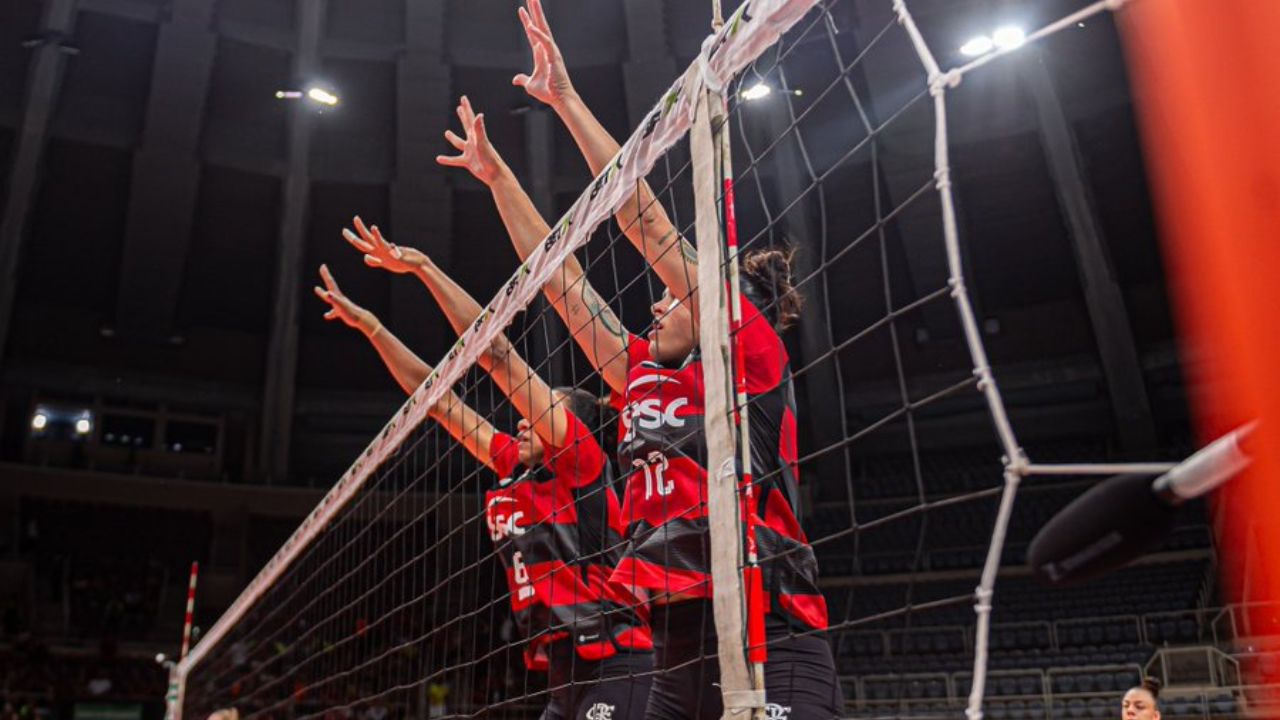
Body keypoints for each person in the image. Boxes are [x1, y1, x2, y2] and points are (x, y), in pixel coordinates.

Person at [434, 2, 840, 717]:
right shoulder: (640, 379)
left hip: (769, 625)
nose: (656, 304)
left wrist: (565, 98)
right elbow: (557, 278)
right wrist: (499, 178)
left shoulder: (751, 351)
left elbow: (643, 219)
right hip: (677, 642)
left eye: (672, 295)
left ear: (718, 304)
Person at [314, 222, 653, 720]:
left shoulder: (580, 461)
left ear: (569, 429)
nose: (520, 417)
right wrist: (372, 327)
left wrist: (425, 267)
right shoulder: (513, 463)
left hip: (618, 658)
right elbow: (434, 401)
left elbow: (495, 353)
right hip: (563, 673)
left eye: (539, 412)